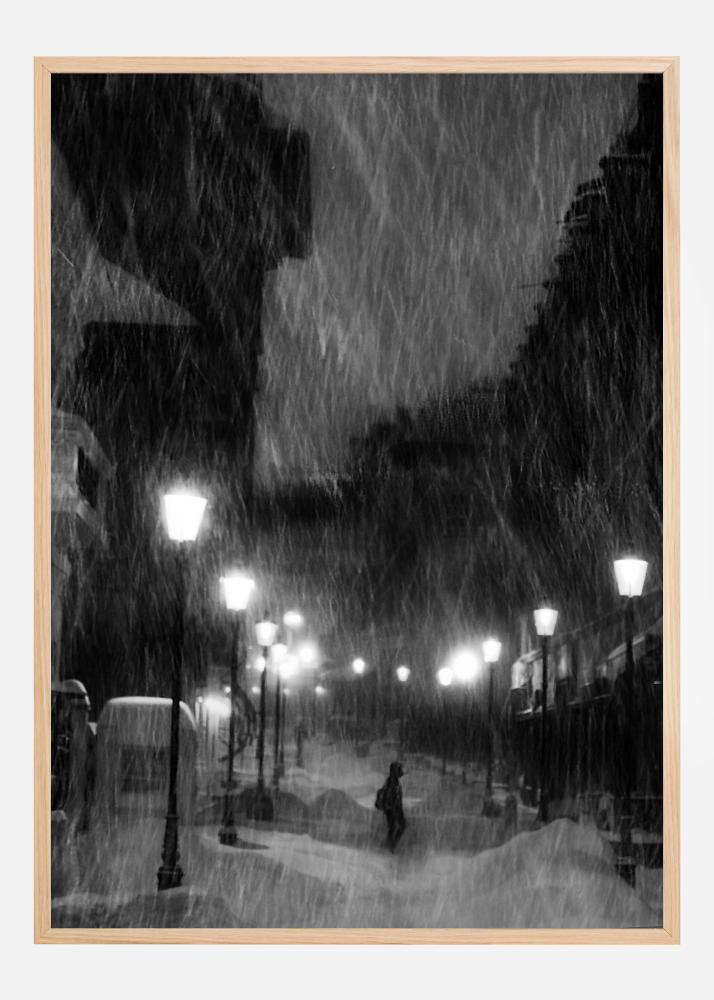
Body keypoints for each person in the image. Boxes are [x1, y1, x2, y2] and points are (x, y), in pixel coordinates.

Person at [380, 761, 407, 852]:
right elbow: (391, 797)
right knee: (396, 827)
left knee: (395, 827)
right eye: (399, 770)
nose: (401, 772)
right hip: (393, 809)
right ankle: (391, 845)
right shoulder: (392, 782)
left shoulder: (393, 781)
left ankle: (391, 844)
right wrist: (393, 808)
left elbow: (395, 797)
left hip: (394, 809)